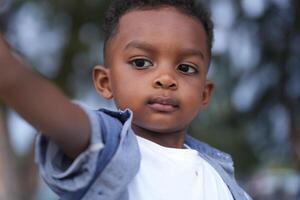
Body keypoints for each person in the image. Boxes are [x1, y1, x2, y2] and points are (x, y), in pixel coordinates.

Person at [0, 0, 252, 199]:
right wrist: (9, 70)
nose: (166, 78)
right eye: (141, 63)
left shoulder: (220, 176)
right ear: (105, 82)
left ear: (204, 93)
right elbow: (61, 119)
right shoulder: (108, 148)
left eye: (185, 68)